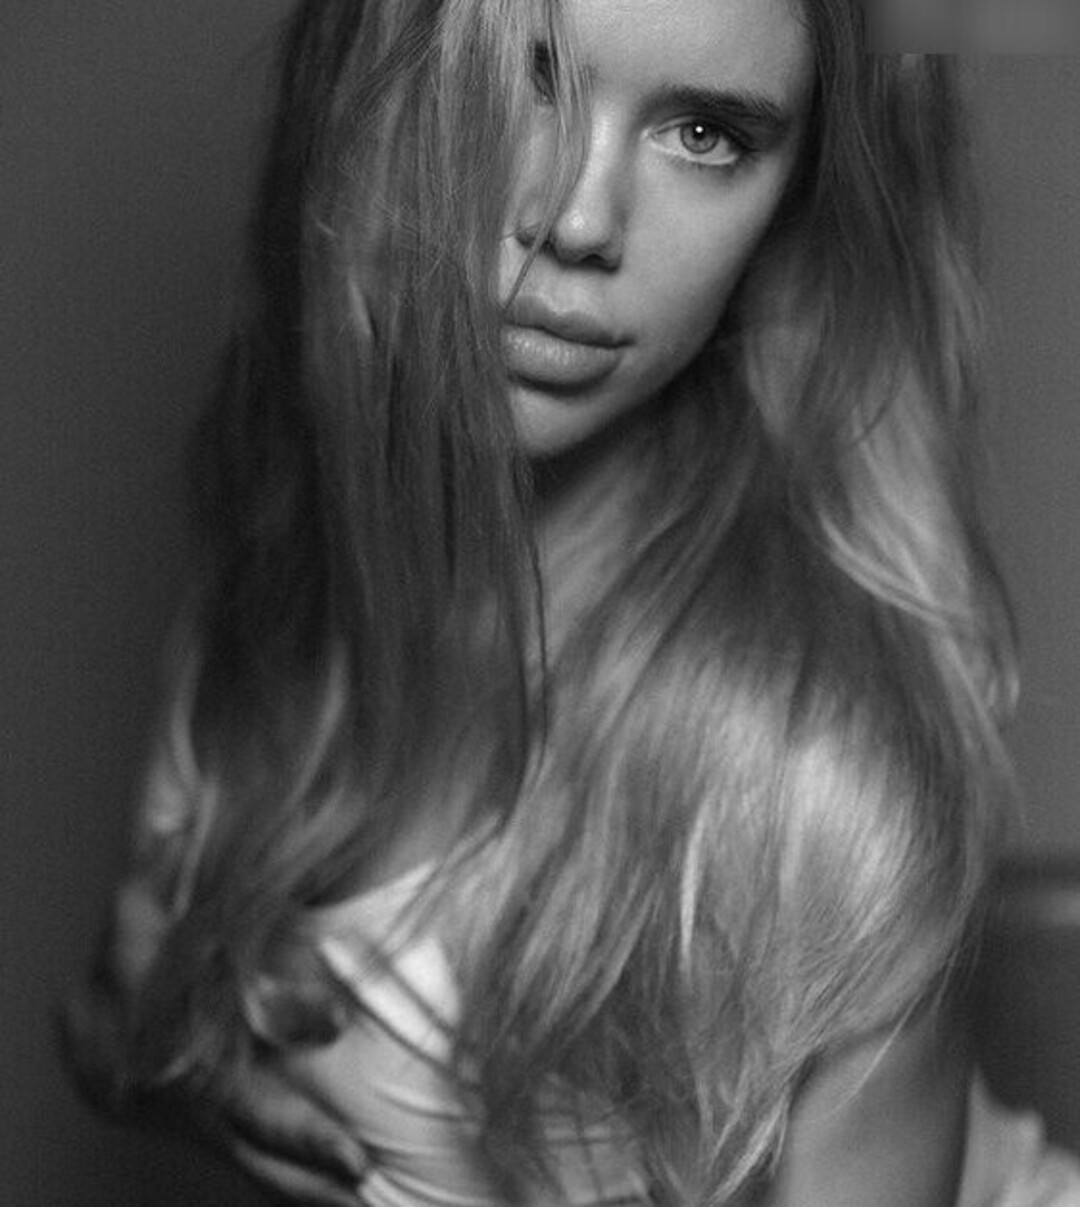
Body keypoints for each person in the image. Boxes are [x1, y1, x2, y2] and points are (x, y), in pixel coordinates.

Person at [62, 0, 1080, 1203]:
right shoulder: (279, 580)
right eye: (524, 75)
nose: (583, 218)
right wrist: (143, 1053)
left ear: (792, 209)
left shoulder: (811, 778)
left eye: (706, 134)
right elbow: (120, 1003)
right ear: (362, 75)